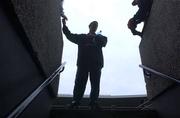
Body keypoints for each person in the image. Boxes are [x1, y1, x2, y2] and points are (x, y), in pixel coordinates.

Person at [62, 18, 107, 109]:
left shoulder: (100, 37)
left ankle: (93, 102)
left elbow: (104, 42)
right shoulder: (82, 37)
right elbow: (69, 35)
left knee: (95, 84)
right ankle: (76, 101)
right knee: (79, 83)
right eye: (93, 25)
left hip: (96, 64)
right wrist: (64, 25)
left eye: (96, 26)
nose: (94, 26)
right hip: (83, 63)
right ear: (89, 26)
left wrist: (96, 37)